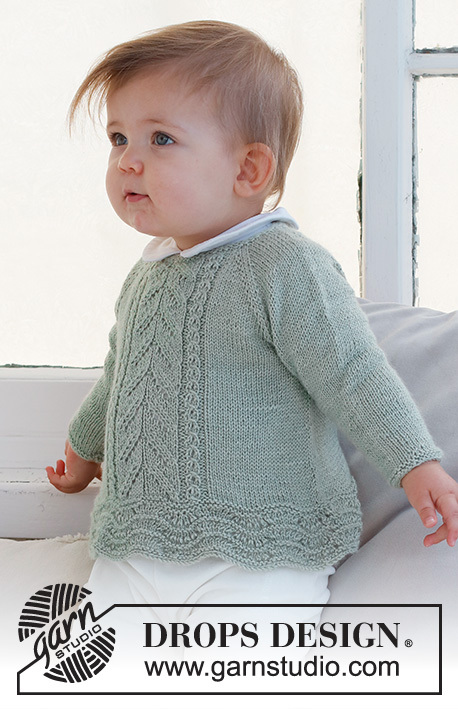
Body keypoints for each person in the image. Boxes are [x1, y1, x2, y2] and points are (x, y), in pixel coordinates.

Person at [46, 20, 458, 661]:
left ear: (249, 168)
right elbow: (122, 376)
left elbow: (352, 374)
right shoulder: (147, 277)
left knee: (241, 667)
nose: (127, 159)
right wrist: (82, 446)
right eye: (118, 138)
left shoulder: (283, 265)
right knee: (97, 666)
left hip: (262, 550)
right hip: (136, 545)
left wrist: (415, 462)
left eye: (160, 139)